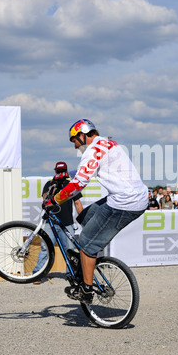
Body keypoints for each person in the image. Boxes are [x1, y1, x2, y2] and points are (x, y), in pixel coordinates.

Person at [43, 119, 149, 304]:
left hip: (124, 202)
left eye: (74, 140)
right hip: (133, 197)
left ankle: (86, 289)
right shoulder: (107, 143)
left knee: (85, 243)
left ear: (83, 134)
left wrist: (55, 199)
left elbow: (79, 184)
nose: (74, 144)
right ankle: (88, 259)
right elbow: (87, 169)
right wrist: (66, 176)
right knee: (85, 216)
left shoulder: (91, 151)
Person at [33, 162, 83, 279]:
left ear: (65, 172)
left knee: (70, 250)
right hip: (51, 222)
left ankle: (71, 274)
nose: (60, 173)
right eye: (58, 171)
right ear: (55, 171)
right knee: (46, 248)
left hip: (67, 223)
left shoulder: (71, 184)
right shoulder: (50, 184)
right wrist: (53, 188)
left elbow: (77, 203)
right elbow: (45, 200)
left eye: (61, 171)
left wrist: (83, 220)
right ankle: (38, 274)